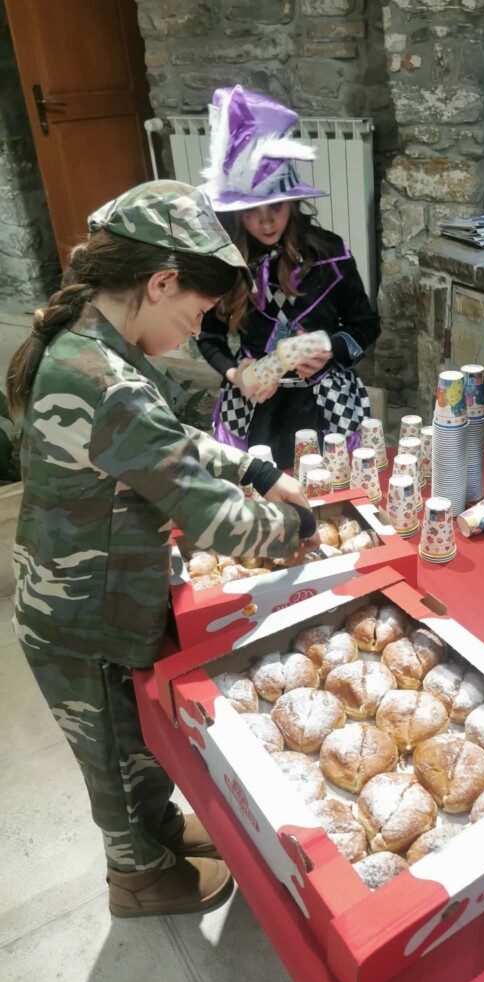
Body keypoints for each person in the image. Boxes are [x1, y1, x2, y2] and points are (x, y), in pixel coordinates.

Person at [6, 180, 320, 918]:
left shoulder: (92, 335)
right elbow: (212, 521)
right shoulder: (104, 379)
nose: (192, 332)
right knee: (113, 758)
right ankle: (137, 875)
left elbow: (166, 442)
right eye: (196, 313)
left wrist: (254, 465)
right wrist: (298, 529)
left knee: (135, 745)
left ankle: (153, 831)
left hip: (92, 596)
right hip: (82, 615)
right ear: (160, 283)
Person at [196, 86, 380, 469]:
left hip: (326, 404)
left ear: (293, 201)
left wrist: (331, 349)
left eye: (275, 206)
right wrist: (235, 373)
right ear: (236, 212)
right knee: (259, 495)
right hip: (252, 405)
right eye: (252, 211)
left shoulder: (329, 253)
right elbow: (210, 337)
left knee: (328, 498)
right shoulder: (227, 262)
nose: (265, 222)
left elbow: (365, 325)